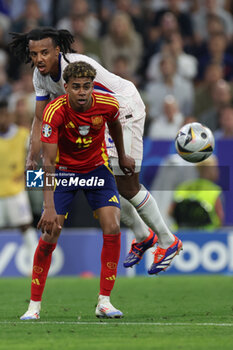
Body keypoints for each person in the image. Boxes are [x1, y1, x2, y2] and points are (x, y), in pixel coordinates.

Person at [9, 27, 182, 275]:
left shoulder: (77, 68)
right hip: (98, 117)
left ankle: (168, 240)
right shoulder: (40, 76)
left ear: (58, 50)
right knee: (110, 183)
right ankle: (144, 237)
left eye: (44, 52)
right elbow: (40, 118)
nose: (38, 59)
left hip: (123, 109)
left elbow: (104, 105)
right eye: (34, 53)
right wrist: (30, 155)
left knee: (127, 185)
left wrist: (121, 153)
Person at [20, 61, 135, 320]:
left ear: (92, 86)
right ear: (66, 87)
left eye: (87, 86)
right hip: (63, 172)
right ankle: (34, 306)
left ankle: (104, 302)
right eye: (76, 87)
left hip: (97, 169)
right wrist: (48, 208)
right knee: (50, 232)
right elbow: (47, 163)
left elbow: (115, 124)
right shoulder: (54, 112)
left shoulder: (107, 104)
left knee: (113, 226)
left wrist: (123, 155)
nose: (82, 92)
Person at [0, 99, 38, 273]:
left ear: (9, 115)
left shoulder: (23, 134)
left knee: (25, 225)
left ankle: (35, 264)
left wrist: (30, 180)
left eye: (3, 115)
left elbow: (36, 158)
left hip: (16, 192)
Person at [169, 155, 224, 230]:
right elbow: (220, 217)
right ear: (208, 170)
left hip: (180, 233)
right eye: (215, 168)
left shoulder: (182, 187)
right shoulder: (214, 190)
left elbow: (170, 212)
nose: (217, 171)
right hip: (207, 235)